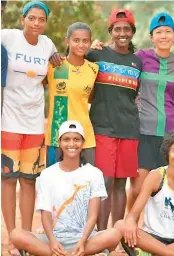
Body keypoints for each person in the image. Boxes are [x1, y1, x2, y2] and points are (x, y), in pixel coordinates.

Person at [10, 121, 121, 255]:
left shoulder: (94, 173)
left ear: (83, 143)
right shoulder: (47, 174)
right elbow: (45, 213)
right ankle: (68, 253)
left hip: (84, 238)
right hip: (53, 238)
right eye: (66, 139)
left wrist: (82, 241)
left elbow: (93, 215)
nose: (71, 144)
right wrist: (52, 241)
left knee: (114, 234)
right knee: (16, 235)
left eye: (76, 139)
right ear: (60, 143)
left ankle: (62, 253)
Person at [1, 1, 57, 255]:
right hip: (9, 121)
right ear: (22, 18)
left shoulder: (47, 45)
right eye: (31, 18)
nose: (36, 23)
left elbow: (54, 72)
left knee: (29, 180)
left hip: (35, 123)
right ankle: (11, 237)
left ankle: (25, 238)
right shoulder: (8, 37)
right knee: (8, 179)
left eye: (41, 19)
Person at [87, 9, 143, 232]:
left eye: (126, 29)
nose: (122, 33)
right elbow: (73, 60)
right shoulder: (97, 55)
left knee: (121, 184)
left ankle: (116, 236)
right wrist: (91, 47)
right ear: (110, 31)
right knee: (105, 183)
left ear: (132, 32)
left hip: (129, 129)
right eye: (117, 29)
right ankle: (101, 236)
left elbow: (135, 95)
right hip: (102, 127)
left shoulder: (137, 62)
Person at [45, 22, 98, 168]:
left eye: (85, 41)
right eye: (76, 40)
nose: (81, 45)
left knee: (86, 185)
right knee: (55, 185)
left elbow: (91, 97)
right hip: (57, 136)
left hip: (85, 136)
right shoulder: (54, 66)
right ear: (67, 40)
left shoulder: (94, 69)